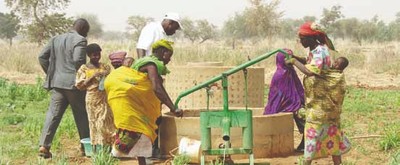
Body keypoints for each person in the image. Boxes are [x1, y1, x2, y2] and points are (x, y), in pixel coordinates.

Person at [104, 39, 183, 165]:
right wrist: (173, 108)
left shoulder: (145, 61)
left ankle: (140, 162)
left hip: (132, 100)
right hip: (128, 100)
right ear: (163, 52)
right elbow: (157, 88)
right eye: (169, 55)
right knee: (135, 132)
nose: (169, 59)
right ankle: (109, 159)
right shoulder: (151, 64)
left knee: (140, 137)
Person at [286, 22, 351, 165]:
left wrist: (293, 62)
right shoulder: (315, 51)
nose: (300, 41)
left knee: (312, 132)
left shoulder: (320, 51)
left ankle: (307, 162)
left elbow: (310, 71)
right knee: (331, 133)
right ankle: (336, 162)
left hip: (321, 106)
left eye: (302, 38)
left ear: (310, 38)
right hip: (320, 104)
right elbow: (309, 62)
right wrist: (296, 57)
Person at [38, 18, 90, 159]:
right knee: (81, 115)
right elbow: (78, 60)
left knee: (53, 114)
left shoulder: (56, 38)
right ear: (84, 29)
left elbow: (42, 56)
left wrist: (52, 73)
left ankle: (44, 145)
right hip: (74, 85)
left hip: (57, 83)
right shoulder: (80, 40)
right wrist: (82, 78)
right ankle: (86, 147)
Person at [75, 43, 115, 152]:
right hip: (92, 99)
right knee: (94, 122)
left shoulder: (105, 67)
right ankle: (95, 148)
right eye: (94, 55)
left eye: (98, 54)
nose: (97, 57)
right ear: (89, 55)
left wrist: (104, 74)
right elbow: (80, 86)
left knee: (105, 121)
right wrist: (93, 76)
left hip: (104, 98)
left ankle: (108, 146)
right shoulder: (84, 69)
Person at [263, 48, 305, 152]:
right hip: (283, 104)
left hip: (293, 102)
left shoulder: (291, 72)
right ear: (281, 60)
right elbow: (279, 95)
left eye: (290, 58)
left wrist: (300, 101)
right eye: (286, 58)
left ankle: (305, 144)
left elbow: (298, 88)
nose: (289, 61)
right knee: (300, 113)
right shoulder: (280, 75)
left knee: (304, 115)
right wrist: (295, 103)